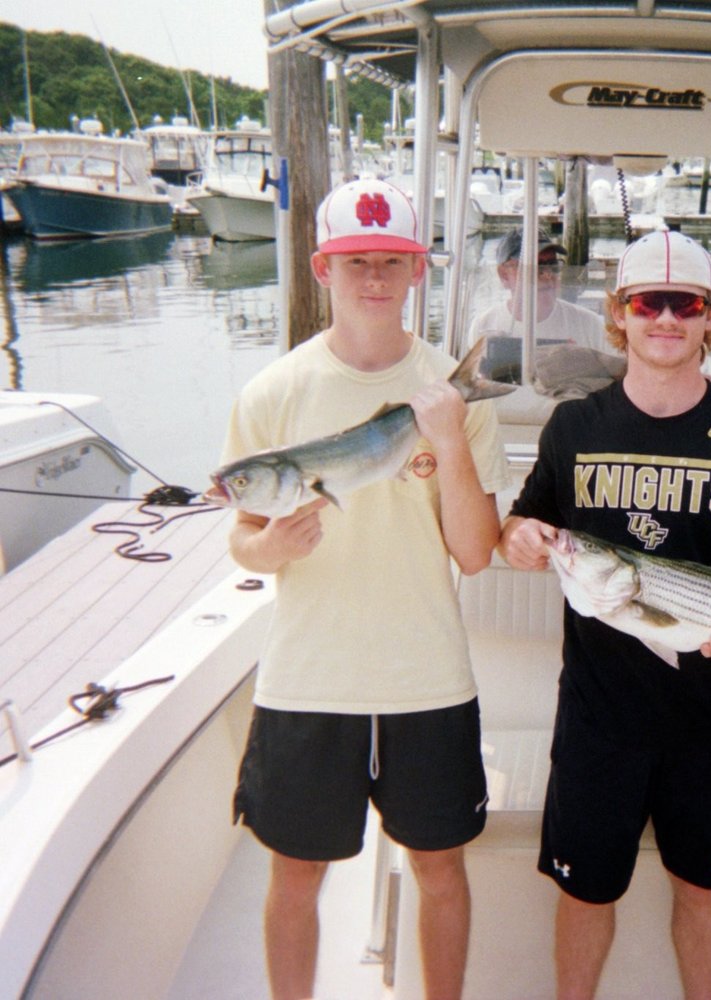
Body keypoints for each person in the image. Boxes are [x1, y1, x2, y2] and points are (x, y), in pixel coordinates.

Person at [221, 177, 503, 1000]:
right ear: (321, 269)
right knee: (295, 871)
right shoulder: (271, 394)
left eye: (391, 260)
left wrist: (448, 440)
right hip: (309, 678)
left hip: (427, 677)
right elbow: (239, 541)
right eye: (355, 262)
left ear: (418, 269)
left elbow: (475, 553)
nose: (373, 278)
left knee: (439, 865)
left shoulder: (447, 393)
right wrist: (270, 545)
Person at [499, 229, 711, 1000]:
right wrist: (521, 537)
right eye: (646, 302)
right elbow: (523, 525)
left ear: (708, 318)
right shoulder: (573, 427)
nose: (665, 318)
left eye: (684, 303)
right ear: (618, 316)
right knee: (585, 890)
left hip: (708, 711)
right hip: (598, 716)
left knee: (703, 887)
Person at [468, 228, 606, 350]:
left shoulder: (592, 326)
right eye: (535, 267)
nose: (547, 274)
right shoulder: (482, 327)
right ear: (504, 275)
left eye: (553, 265)